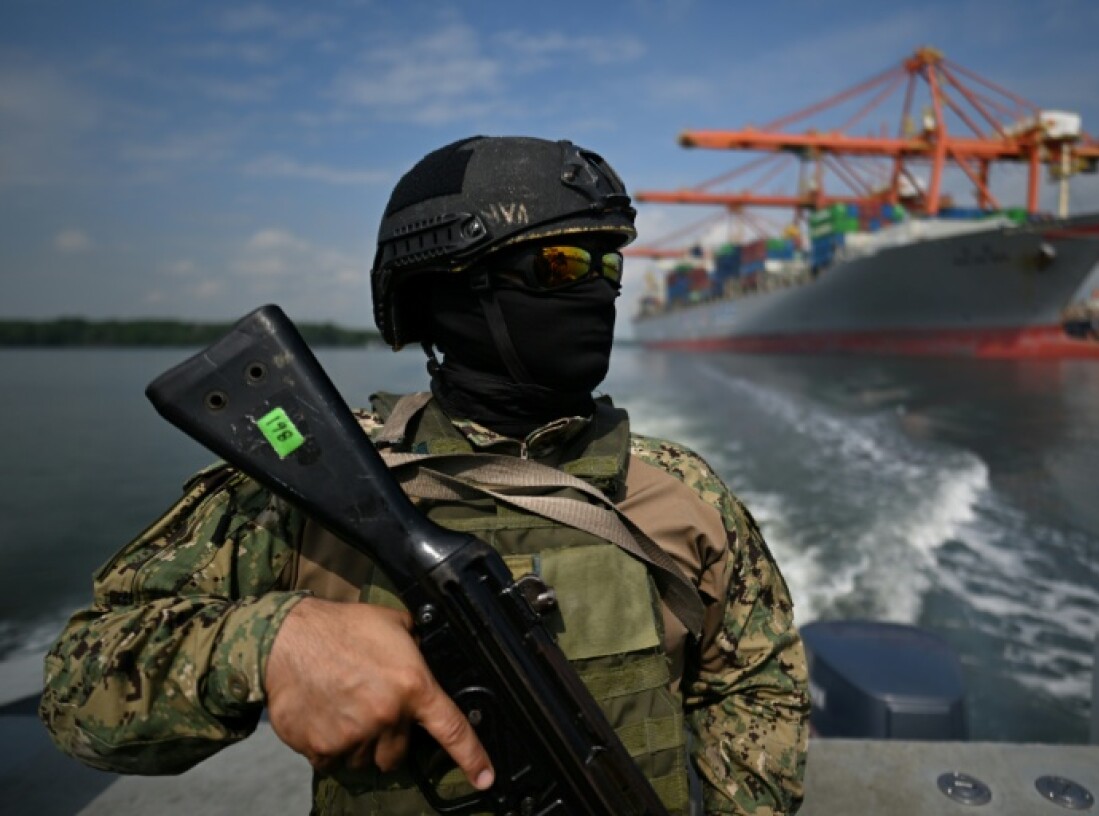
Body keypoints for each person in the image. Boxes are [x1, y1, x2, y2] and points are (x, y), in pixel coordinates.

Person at [40, 136, 810, 814]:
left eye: (607, 263)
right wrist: (269, 643)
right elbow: (78, 694)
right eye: (558, 263)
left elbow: (756, 681)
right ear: (441, 290)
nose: (597, 289)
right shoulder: (309, 490)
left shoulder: (680, 490)